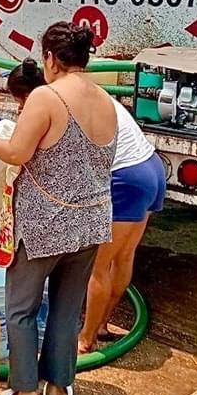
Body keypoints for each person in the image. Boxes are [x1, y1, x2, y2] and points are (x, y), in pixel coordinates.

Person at [0, 21, 116, 395]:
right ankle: (57, 389)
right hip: (91, 222)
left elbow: (17, 153)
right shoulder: (107, 100)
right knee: (67, 307)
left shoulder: (46, 96)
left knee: (21, 310)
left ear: (52, 59)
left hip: (44, 225)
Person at [78, 99, 166, 353]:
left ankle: (86, 339)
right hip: (150, 166)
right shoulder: (93, 94)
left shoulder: (57, 102)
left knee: (98, 266)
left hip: (127, 178)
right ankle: (101, 324)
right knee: (124, 256)